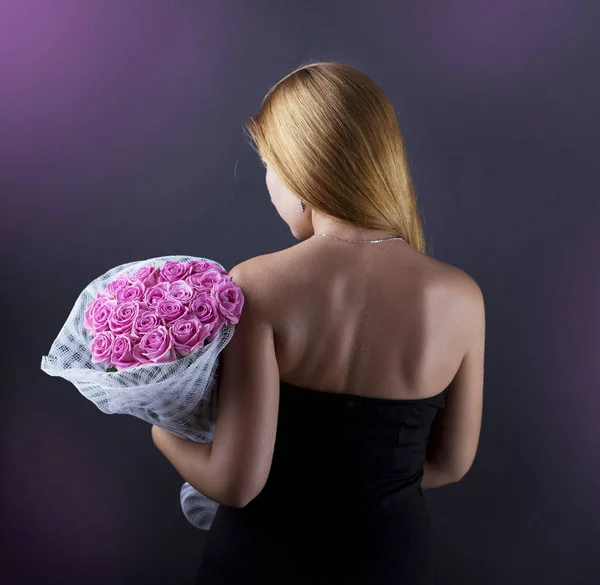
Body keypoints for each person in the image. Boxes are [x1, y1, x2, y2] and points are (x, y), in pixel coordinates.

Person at [192, 60, 485, 584]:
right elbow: (450, 463)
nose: (269, 184)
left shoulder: (257, 285)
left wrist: (158, 432)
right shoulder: (460, 296)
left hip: (263, 562)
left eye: (268, 167)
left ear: (300, 171)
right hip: (389, 560)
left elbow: (235, 483)